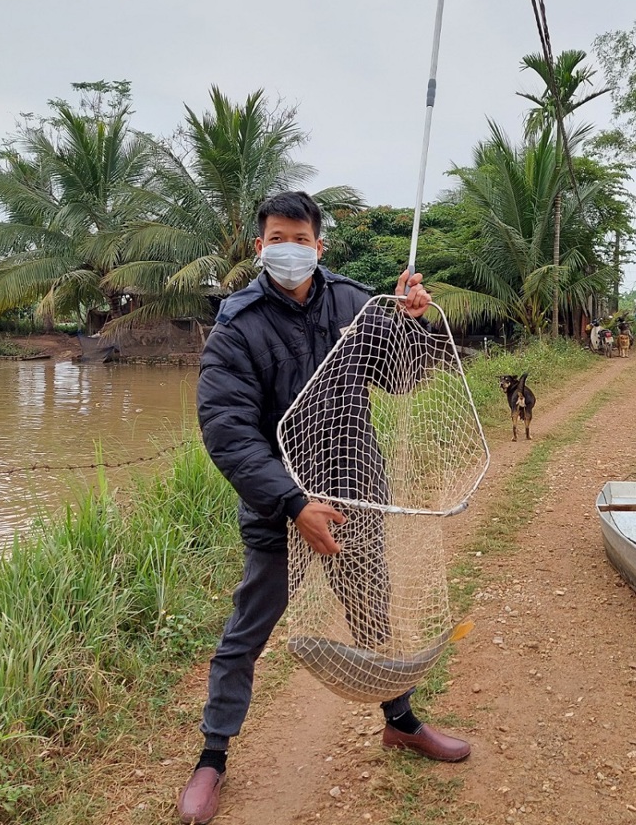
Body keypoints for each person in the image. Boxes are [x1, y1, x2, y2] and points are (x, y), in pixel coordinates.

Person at [178, 191, 470, 825]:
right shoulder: (237, 325)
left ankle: (401, 721)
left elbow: (405, 376)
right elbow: (227, 430)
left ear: (319, 245)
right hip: (280, 510)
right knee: (246, 633)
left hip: (355, 492)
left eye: (300, 239)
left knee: (373, 613)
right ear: (260, 247)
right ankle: (212, 756)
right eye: (276, 238)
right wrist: (292, 503)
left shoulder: (353, 302)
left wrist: (408, 319)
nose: (289, 249)